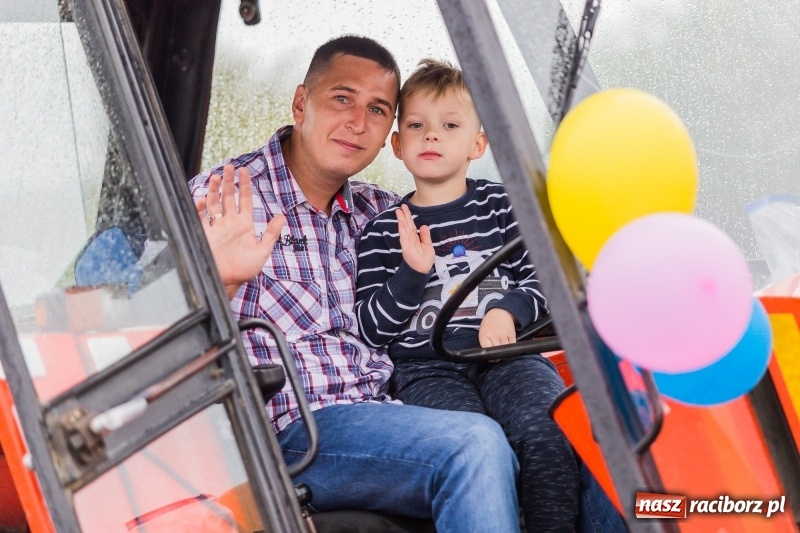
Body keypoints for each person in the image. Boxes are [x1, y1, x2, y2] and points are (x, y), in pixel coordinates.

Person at [189, 36, 522, 532]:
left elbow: (466, 254)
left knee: (580, 434)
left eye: (378, 109)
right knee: (474, 446)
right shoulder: (227, 197)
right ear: (302, 103)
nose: (357, 123)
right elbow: (156, 340)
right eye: (342, 99)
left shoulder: (385, 214)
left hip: (390, 408)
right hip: (297, 429)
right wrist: (220, 283)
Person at [354, 59, 626, 532]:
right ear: (396, 145)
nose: (432, 136)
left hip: (510, 356)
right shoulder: (380, 232)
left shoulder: (502, 206)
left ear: (477, 143)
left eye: (450, 125)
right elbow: (373, 329)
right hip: (426, 368)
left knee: (547, 428)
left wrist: (507, 309)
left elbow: (548, 277)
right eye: (416, 125)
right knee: (475, 447)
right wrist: (412, 274)